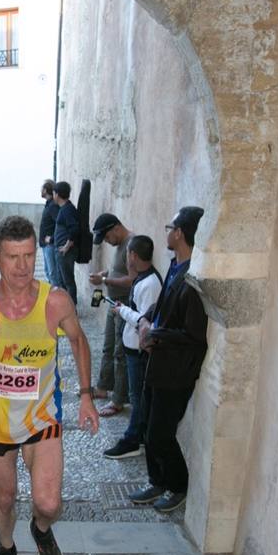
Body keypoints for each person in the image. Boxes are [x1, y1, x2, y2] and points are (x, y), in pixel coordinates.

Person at [0, 215, 99, 555]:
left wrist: (86, 397)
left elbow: (79, 341)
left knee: (49, 502)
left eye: (29, 256)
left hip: (42, 420)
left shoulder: (55, 301)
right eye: (13, 257)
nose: (22, 266)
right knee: (5, 497)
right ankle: (6, 549)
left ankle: (41, 528)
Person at [129, 206, 209, 513]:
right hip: (157, 362)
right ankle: (156, 481)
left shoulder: (193, 276)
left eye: (170, 227)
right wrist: (149, 321)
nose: (167, 232)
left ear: (180, 232)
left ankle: (177, 485)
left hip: (176, 370)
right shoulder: (175, 266)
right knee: (149, 426)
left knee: (161, 433)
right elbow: (161, 309)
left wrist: (157, 334)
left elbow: (193, 335)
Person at [102, 234, 162, 459]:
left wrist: (122, 311)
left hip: (138, 350)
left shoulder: (150, 284)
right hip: (131, 346)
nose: (127, 258)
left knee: (137, 397)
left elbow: (144, 321)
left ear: (133, 256)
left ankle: (132, 440)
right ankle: (140, 435)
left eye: (128, 254)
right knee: (136, 395)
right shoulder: (144, 279)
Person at [88, 213, 133, 417]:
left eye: (107, 237)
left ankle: (118, 400)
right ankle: (102, 387)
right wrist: (104, 275)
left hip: (124, 306)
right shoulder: (120, 245)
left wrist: (105, 282)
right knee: (108, 347)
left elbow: (132, 279)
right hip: (113, 303)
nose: (107, 241)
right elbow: (116, 269)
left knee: (119, 353)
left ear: (116, 228)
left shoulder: (132, 244)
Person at [51, 181, 79, 305]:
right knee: (62, 281)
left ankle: (71, 309)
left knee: (67, 281)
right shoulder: (65, 208)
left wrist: (67, 246)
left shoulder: (67, 209)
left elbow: (74, 229)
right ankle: (65, 308)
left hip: (65, 252)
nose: (53, 196)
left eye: (53, 193)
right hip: (62, 251)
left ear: (57, 194)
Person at [38, 180, 59, 286]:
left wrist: (51, 239)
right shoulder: (49, 205)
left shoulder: (53, 206)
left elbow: (60, 224)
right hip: (46, 245)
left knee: (53, 273)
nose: (40, 190)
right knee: (48, 272)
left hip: (50, 245)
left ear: (46, 190)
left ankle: (58, 298)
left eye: (42, 188)